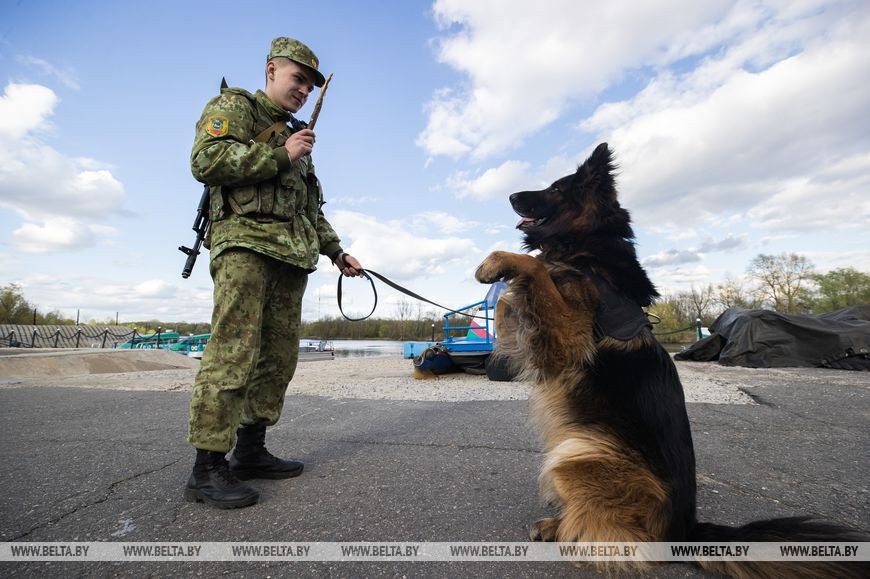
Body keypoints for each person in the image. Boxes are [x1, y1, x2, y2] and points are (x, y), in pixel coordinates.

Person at [184, 37, 363, 509]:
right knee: (233, 352)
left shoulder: (296, 134)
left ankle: (250, 451)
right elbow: (207, 161)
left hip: (290, 257)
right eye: (297, 78)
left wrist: (337, 252)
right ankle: (206, 467)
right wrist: (282, 154)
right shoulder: (236, 107)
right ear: (271, 71)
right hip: (243, 245)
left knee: (278, 357)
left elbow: (309, 208)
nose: (303, 89)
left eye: (309, 85)